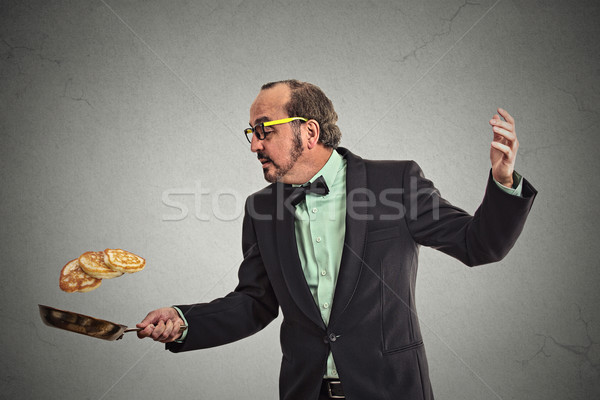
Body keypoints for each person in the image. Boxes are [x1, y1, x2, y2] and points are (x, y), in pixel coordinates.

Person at [137, 80, 537, 399]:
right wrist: (185, 321)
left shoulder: (395, 183)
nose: (255, 144)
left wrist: (503, 182)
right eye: (251, 133)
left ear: (309, 132)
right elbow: (255, 304)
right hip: (306, 391)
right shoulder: (260, 208)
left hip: (391, 389)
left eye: (264, 130)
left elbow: (478, 245)